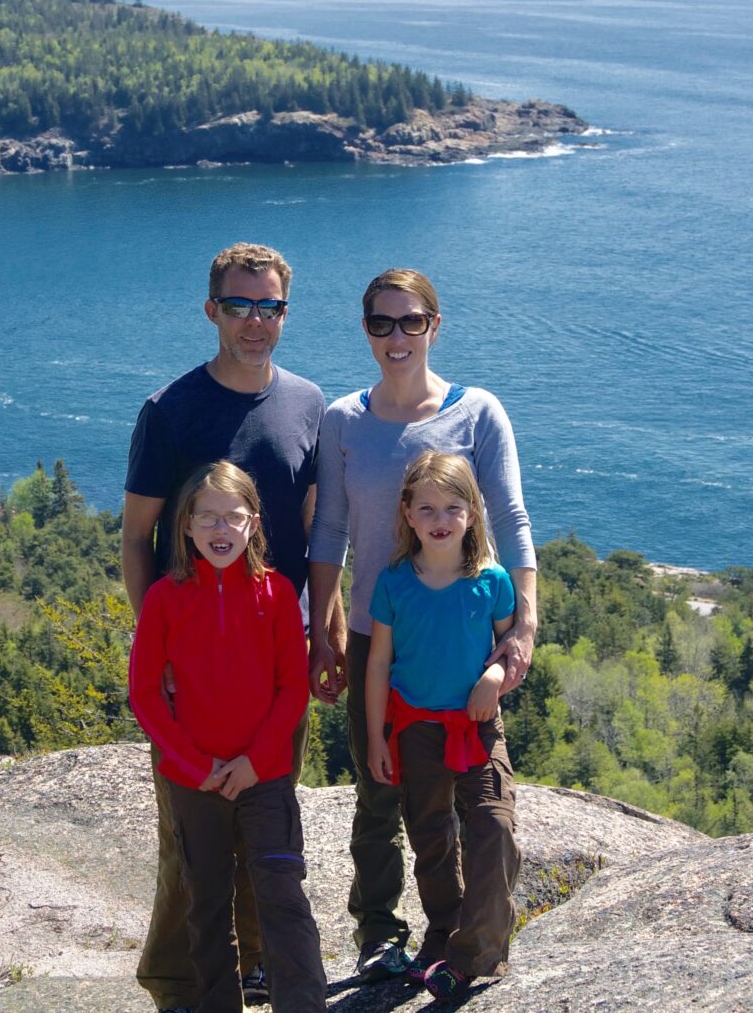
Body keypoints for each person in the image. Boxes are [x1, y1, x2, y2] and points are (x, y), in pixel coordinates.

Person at [306, 267, 539, 981]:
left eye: (411, 321)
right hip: (381, 629)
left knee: (465, 799)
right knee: (380, 793)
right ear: (367, 331)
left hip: (465, 635)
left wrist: (522, 628)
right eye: (382, 323)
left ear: (434, 326)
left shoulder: (478, 412)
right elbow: (330, 534)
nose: (397, 336)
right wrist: (325, 628)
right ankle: (380, 933)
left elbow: (511, 519)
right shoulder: (344, 419)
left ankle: (460, 943)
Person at [123, 242, 324, 1011]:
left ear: (284, 313)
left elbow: (314, 531)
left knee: (265, 823)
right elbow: (136, 539)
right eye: (239, 305)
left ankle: (259, 969)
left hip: (276, 655)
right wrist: (165, 649)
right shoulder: (171, 410)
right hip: (191, 670)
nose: (254, 321)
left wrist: (323, 631)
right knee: (193, 835)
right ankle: (181, 983)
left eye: (269, 306)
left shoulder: (306, 404)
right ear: (212, 310)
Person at [128, 461, 328, 1013]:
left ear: (253, 524)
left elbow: (292, 689)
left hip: (263, 778)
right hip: (196, 782)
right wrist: (196, 767)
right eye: (207, 517)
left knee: (282, 896)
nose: (220, 530)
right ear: (186, 526)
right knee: (207, 907)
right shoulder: (166, 599)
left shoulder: (278, 594)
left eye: (232, 517)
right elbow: (145, 694)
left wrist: (257, 762)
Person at [364, 452, 521, 1002]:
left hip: (477, 726)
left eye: (454, 506)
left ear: (473, 514)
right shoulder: (394, 582)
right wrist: (379, 735)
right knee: (431, 839)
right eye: (427, 506)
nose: (440, 518)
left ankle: (473, 954)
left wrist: (494, 676)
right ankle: (441, 937)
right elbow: (379, 663)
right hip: (416, 730)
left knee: (494, 829)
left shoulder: (492, 581)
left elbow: (510, 649)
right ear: (407, 513)